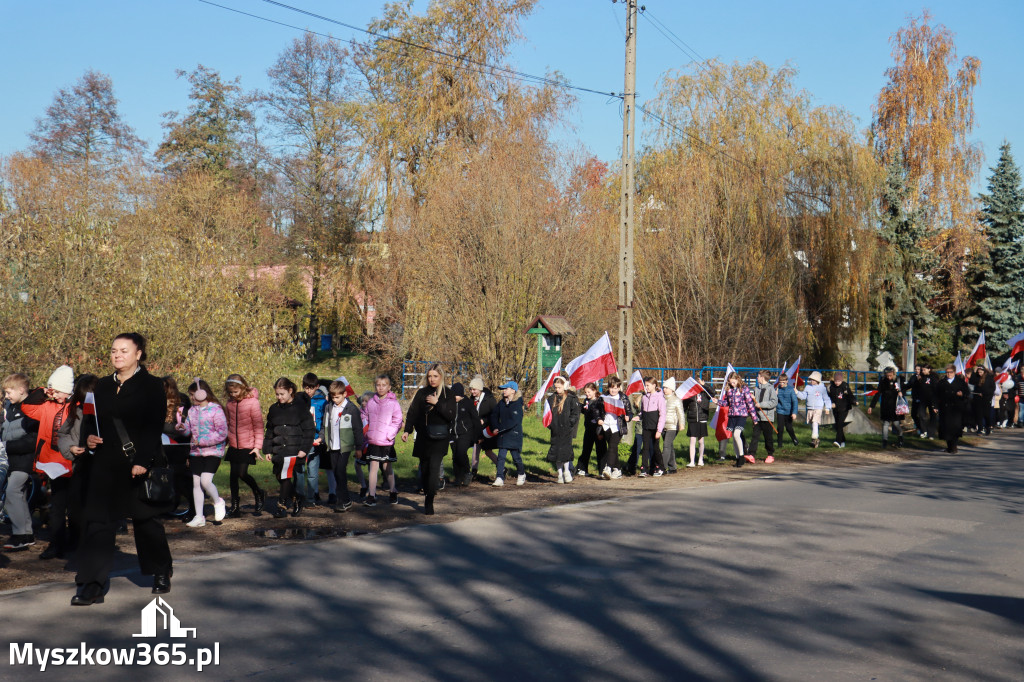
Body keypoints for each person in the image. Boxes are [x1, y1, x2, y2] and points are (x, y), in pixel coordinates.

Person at [75, 332, 173, 605]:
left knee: (146, 521)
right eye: (114, 350)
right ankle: (91, 584)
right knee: (98, 523)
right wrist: (89, 441)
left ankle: (160, 570)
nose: (117, 355)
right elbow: (90, 422)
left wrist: (142, 460)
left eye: (124, 350)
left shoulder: (152, 386)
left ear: (138, 353)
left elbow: (153, 426)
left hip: (138, 464)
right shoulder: (102, 386)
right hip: (105, 464)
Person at [19, 365, 75, 560]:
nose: (57, 395)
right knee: (58, 507)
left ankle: (75, 542)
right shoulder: (46, 406)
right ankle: (56, 544)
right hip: (54, 465)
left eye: (60, 392)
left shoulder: (74, 407)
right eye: (55, 392)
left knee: (76, 506)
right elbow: (26, 406)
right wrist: (45, 391)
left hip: (73, 463)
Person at [55, 373, 99, 556]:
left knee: (95, 510)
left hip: (100, 468)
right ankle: (77, 542)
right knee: (75, 509)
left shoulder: (106, 414)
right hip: (80, 466)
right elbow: (62, 434)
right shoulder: (76, 412)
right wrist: (71, 448)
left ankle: (95, 544)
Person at [403, 364, 456, 515]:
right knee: (425, 470)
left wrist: (437, 403)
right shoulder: (422, 393)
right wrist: (407, 430)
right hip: (423, 437)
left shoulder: (448, 394)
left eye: (435, 376)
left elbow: (451, 415)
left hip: (439, 438)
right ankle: (428, 491)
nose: (432, 379)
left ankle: (429, 501)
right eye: (430, 376)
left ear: (441, 377)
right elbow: (412, 412)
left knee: (434, 469)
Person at [176, 379, 228, 528]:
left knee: (205, 481)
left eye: (193, 394)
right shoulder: (192, 411)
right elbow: (188, 430)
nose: (191, 398)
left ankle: (218, 501)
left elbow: (222, 433)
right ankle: (199, 516)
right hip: (196, 453)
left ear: (202, 393)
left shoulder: (216, 410)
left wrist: (204, 441)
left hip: (213, 451)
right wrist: (181, 427)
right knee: (196, 483)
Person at [264, 377, 315, 519]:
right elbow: (269, 430)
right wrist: (267, 449)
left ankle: (281, 505)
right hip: (278, 449)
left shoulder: (300, 409)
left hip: (294, 448)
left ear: (290, 391)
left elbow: (309, 430)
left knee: (286, 476)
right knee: (279, 475)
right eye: (277, 394)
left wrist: (304, 448)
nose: (279, 397)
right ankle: (297, 498)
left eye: (282, 394)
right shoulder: (274, 409)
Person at [1, 373, 40, 551]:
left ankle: (20, 534)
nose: (6, 396)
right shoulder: (11, 407)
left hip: (25, 460)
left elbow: (32, 440)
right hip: (13, 460)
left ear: (21, 390)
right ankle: (26, 533)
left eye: (9, 392)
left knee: (13, 491)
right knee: (18, 495)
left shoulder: (31, 409)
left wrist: (6, 446)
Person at [223, 374, 266, 517]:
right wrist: (225, 442)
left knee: (242, 473)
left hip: (248, 444)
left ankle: (259, 492)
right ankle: (235, 506)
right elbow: (228, 424)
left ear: (242, 388)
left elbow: (258, 425)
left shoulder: (253, 403)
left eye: (236, 392)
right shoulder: (229, 404)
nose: (233, 395)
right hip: (234, 444)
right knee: (233, 476)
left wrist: (257, 446)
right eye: (230, 393)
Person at [322, 379, 366, 512]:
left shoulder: (352, 409)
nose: (335, 400)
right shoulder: (329, 407)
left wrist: (359, 448)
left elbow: (358, 430)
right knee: (336, 472)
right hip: (332, 445)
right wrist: (321, 438)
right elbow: (325, 426)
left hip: (345, 446)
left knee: (340, 471)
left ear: (345, 394)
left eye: (337, 397)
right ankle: (346, 499)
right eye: (332, 397)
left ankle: (343, 500)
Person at [359, 375, 402, 509]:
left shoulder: (393, 403)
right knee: (373, 467)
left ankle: (393, 490)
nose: (381, 387)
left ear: (389, 387)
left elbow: (398, 420)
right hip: (373, 440)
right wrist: (366, 431)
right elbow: (364, 415)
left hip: (386, 441)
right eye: (378, 385)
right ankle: (372, 495)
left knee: (386, 467)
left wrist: (390, 434)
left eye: (384, 385)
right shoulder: (371, 402)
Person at [161, 376, 193, 521]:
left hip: (178, 444)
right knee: (168, 477)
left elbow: (184, 426)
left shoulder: (181, 403)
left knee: (180, 477)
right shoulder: (159, 402)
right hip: (164, 444)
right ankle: (169, 504)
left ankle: (193, 507)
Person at [489, 380, 526, 488]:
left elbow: (514, 420)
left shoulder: (518, 403)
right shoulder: (501, 403)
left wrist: (500, 429)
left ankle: (521, 473)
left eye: (506, 389)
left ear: (513, 391)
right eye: (503, 389)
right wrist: (495, 427)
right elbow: (494, 415)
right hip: (503, 434)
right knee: (501, 457)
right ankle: (499, 477)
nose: (504, 391)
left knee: (516, 457)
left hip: (514, 434)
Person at [545, 376, 581, 483]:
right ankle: (560, 474)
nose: (557, 390)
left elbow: (575, 413)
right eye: (556, 387)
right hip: (555, 429)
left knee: (565, 452)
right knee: (556, 452)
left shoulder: (570, 398)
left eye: (559, 387)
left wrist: (570, 423)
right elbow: (548, 414)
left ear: (564, 386)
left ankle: (567, 471)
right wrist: (550, 425)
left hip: (566, 430)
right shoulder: (551, 399)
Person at [301, 373, 329, 506]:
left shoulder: (322, 402)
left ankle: (311, 498)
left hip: (315, 440)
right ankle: (299, 496)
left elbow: (325, 422)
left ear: (317, 387)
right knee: (299, 470)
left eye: (311, 388)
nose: (308, 391)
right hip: (301, 441)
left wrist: (321, 437)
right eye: (306, 388)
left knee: (312, 471)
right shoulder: (299, 400)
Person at [720, 372, 759, 466]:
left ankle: (741, 456)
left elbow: (750, 403)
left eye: (733, 382)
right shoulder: (729, 390)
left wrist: (754, 418)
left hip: (742, 415)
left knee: (737, 434)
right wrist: (718, 401)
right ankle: (738, 457)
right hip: (732, 415)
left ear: (737, 379)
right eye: (730, 383)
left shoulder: (744, 389)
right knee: (734, 437)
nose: (732, 384)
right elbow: (726, 403)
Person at [597, 377, 631, 479]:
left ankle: (608, 467)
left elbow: (629, 411)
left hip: (617, 426)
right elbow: (597, 410)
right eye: (611, 388)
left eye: (616, 388)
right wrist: (599, 418)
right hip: (606, 425)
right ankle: (617, 470)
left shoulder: (623, 398)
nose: (613, 390)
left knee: (612, 446)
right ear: (608, 388)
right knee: (613, 448)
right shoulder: (603, 397)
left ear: (619, 388)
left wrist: (628, 416)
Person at [934, 364, 970, 453]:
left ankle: (954, 446)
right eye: (947, 372)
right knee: (946, 428)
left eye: (950, 372)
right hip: (945, 408)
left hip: (956, 408)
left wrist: (962, 394)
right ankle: (949, 446)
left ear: (954, 372)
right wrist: (935, 406)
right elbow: (936, 395)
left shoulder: (960, 381)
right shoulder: (941, 382)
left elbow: (967, 392)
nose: (948, 374)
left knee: (955, 428)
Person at [469, 376, 498, 478]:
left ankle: (501, 466)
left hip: (487, 429)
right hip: (477, 429)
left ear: (480, 389)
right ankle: (473, 471)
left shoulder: (489, 400)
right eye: (471, 389)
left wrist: (484, 420)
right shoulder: (471, 399)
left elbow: (494, 414)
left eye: (474, 389)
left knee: (488, 451)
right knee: (476, 449)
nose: (472, 392)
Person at [868, 367, 904, 448]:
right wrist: (871, 406)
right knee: (885, 424)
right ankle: (884, 441)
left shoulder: (898, 379)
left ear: (894, 374)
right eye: (887, 375)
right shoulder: (883, 380)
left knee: (896, 423)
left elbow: (903, 388)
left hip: (896, 405)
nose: (889, 377)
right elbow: (878, 393)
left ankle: (901, 438)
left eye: (890, 376)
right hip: (886, 405)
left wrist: (901, 392)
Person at [450, 382, 478, 487]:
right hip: (453, 433)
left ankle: (467, 472)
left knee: (461, 453)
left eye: (456, 395)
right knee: (455, 456)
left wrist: (476, 436)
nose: (454, 398)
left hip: (465, 433)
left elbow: (475, 419)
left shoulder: (468, 403)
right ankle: (458, 476)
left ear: (461, 395)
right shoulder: (451, 403)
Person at [639, 377, 667, 477]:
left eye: (648, 385)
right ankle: (644, 469)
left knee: (655, 448)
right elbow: (642, 412)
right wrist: (638, 416)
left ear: (654, 385)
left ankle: (660, 467)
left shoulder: (660, 397)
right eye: (645, 385)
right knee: (645, 448)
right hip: (646, 426)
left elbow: (662, 414)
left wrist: (659, 430)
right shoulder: (644, 397)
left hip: (655, 427)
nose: (646, 387)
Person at [797, 371, 833, 448]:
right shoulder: (808, 387)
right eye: (811, 380)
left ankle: (814, 438)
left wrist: (827, 407)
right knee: (812, 424)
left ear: (817, 380)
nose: (811, 381)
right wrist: (797, 392)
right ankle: (816, 440)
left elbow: (826, 399)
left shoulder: (822, 388)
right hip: (810, 408)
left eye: (813, 380)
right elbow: (803, 396)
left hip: (818, 408)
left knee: (815, 422)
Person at [748, 370, 778, 462]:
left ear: (762, 377)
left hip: (767, 417)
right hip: (757, 417)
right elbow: (755, 403)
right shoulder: (756, 389)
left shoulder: (770, 388)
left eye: (758, 376)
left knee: (768, 437)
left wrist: (761, 405)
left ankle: (770, 454)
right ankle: (751, 454)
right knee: (755, 436)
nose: (757, 378)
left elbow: (774, 402)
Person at [683, 377, 713, 467]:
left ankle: (700, 459)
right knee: (692, 440)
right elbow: (684, 406)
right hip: (692, 419)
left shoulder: (705, 393)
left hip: (702, 418)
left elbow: (713, 392)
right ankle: (692, 461)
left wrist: (705, 385)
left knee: (700, 441)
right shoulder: (690, 394)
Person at [576, 383, 604, 477]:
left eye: (589, 392)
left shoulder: (600, 401)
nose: (587, 394)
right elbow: (586, 411)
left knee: (600, 450)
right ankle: (583, 468)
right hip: (589, 428)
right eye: (585, 392)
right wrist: (581, 407)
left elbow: (601, 414)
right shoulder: (587, 400)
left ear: (594, 390)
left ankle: (602, 470)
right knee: (586, 449)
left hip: (598, 428)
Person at [661, 378, 686, 473]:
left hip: (673, 427)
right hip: (663, 426)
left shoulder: (676, 400)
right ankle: (672, 467)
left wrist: (681, 424)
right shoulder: (662, 399)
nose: (664, 389)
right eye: (664, 387)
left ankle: (662, 467)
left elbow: (681, 413)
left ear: (672, 389)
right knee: (669, 446)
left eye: (667, 388)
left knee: (666, 445)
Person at [826, 372, 856, 448]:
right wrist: (831, 403)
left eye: (839, 381)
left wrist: (854, 401)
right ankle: (843, 441)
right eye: (836, 381)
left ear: (841, 380)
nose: (837, 383)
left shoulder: (845, 387)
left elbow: (850, 396)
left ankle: (838, 441)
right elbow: (828, 397)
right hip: (835, 409)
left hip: (844, 408)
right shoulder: (831, 387)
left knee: (840, 424)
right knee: (837, 425)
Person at [968, 365, 996, 436]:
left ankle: (988, 427)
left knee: (986, 414)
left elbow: (992, 388)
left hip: (986, 399)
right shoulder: (977, 377)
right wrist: (974, 373)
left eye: (981, 372)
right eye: (978, 372)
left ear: (984, 371)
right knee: (979, 415)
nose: (980, 373)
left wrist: (985, 394)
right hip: (978, 399)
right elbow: (971, 381)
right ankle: (980, 429)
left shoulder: (989, 378)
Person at [775, 374, 799, 447]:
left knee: (789, 428)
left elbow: (795, 402)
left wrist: (794, 413)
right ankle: (779, 444)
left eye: (783, 382)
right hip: (780, 411)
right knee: (780, 427)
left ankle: (794, 438)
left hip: (789, 411)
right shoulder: (777, 389)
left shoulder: (790, 390)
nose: (781, 384)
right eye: (780, 382)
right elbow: (773, 400)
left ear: (787, 381)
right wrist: (775, 395)